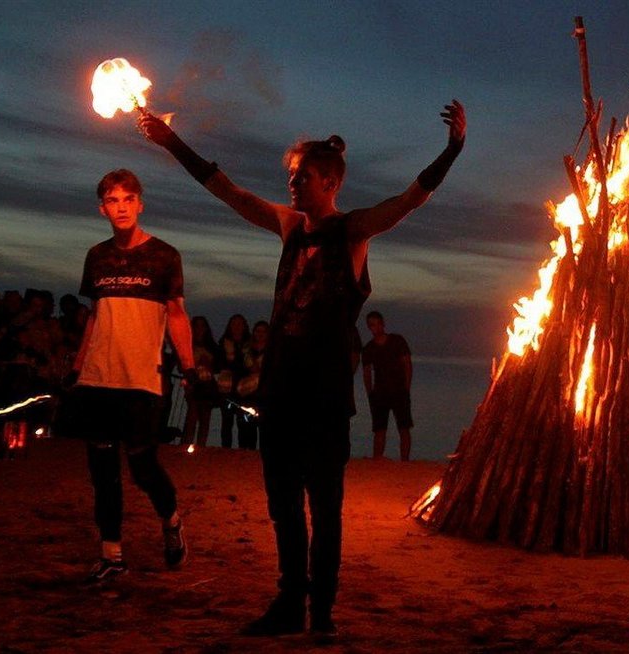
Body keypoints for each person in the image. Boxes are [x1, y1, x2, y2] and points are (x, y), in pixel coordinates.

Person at [139, 99, 466, 639]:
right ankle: (290, 603)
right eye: (291, 176)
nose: (293, 184)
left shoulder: (353, 232)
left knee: (326, 508)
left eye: (303, 177)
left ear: (331, 183)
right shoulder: (289, 226)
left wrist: (452, 149)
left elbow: (409, 200)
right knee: (282, 503)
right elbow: (227, 191)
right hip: (281, 390)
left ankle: (323, 614)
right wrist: (171, 142)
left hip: (326, 393)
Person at [68, 169, 196, 583]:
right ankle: (112, 555)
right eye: (111, 200)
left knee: (142, 467)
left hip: (142, 379)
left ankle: (171, 519)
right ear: (101, 208)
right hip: (97, 377)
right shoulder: (96, 256)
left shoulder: (164, 255)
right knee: (103, 471)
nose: (120, 207)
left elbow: (176, 315)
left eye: (127, 199)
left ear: (140, 204)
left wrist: (190, 368)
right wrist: (76, 368)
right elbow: (94, 316)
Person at [361, 310, 413, 461]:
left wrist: (406, 388)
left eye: (376, 324)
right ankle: (377, 459)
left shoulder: (397, 341)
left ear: (382, 324)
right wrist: (370, 393)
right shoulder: (369, 348)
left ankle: (404, 460)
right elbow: (367, 373)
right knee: (379, 429)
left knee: (403, 428)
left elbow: (407, 364)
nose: (374, 327)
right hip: (379, 394)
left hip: (399, 391)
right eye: (371, 325)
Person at [182, 315, 219, 448]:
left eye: (202, 325)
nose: (199, 328)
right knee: (192, 412)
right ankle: (187, 443)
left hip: (207, 385)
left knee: (205, 415)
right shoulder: (188, 345)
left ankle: (200, 446)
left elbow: (217, 366)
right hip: (193, 383)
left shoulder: (212, 347)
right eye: (197, 325)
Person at [218, 313, 250, 448]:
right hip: (227, 387)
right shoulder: (223, 342)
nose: (237, 326)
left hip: (243, 386)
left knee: (243, 419)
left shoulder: (250, 343)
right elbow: (219, 363)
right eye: (234, 323)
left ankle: (243, 448)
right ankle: (226, 448)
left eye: (240, 324)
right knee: (227, 420)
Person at [235, 320, 269, 450]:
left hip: (263, 393)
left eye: (263, 331)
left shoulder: (272, 351)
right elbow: (238, 368)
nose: (260, 334)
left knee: (263, 425)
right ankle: (244, 451)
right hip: (246, 392)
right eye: (257, 331)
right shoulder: (245, 351)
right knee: (245, 424)